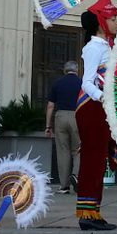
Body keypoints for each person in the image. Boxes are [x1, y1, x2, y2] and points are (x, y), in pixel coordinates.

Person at [75, 0, 117, 230]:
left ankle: (93, 212)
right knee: (92, 160)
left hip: (100, 109)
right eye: (114, 19)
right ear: (102, 21)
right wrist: (104, 98)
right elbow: (87, 81)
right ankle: (87, 215)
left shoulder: (108, 46)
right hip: (92, 108)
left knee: (98, 160)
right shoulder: (94, 47)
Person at [46, 60, 83, 193]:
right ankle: (76, 175)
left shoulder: (57, 83)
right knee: (79, 149)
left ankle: (64, 185)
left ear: (64, 70)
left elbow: (50, 105)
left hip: (60, 117)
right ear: (77, 70)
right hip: (77, 116)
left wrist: (48, 126)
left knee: (63, 151)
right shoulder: (82, 83)